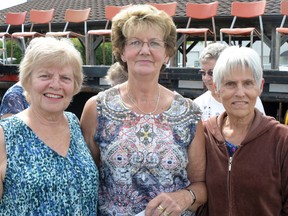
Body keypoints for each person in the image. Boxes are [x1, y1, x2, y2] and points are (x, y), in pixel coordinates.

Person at [80, 4, 206, 216]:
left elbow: (201, 185)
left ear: (166, 53)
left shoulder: (189, 113)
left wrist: (185, 197)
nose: (145, 50)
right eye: (136, 42)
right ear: (122, 51)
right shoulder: (97, 108)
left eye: (154, 43)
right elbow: (84, 180)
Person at [0, 37, 99, 214]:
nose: (55, 85)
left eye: (65, 78)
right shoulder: (4, 135)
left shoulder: (74, 123)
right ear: (28, 81)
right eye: (45, 76)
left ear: (75, 85)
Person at [203, 46, 288, 215]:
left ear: (260, 86)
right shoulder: (204, 135)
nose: (240, 92)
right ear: (217, 89)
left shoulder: (282, 139)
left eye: (248, 83)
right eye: (230, 84)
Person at [194, 43, 265, 121]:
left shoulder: (250, 100)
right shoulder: (197, 105)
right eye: (203, 73)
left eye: (212, 73)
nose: (206, 78)